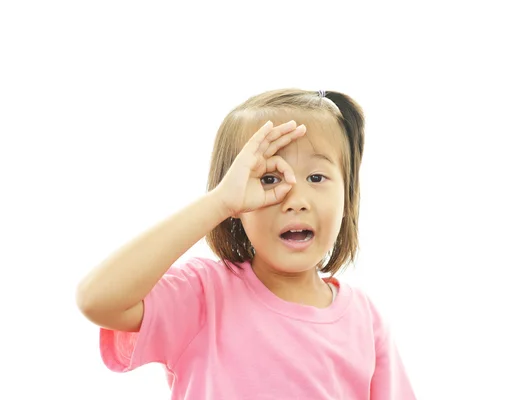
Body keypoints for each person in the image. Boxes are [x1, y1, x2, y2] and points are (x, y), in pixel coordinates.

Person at [76, 88, 416, 399]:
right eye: (269, 178)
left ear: (347, 194)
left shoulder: (364, 320)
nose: (296, 200)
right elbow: (97, 299)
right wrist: (218, 202)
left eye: (317, 177)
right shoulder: (204, 295)